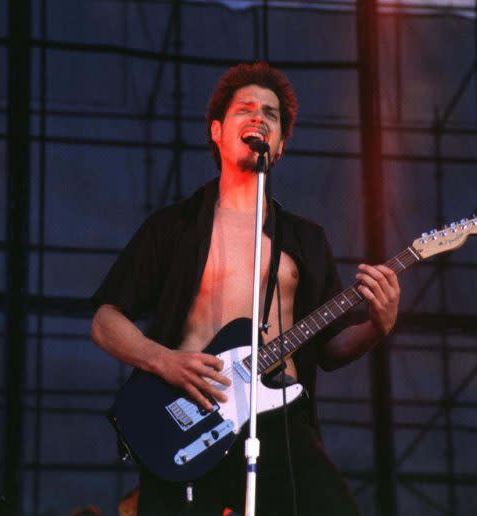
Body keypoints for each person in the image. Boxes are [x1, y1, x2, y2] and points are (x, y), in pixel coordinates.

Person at [91, 62, 400, 515]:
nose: (259, 118)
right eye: (246, 110)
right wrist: (166, 361)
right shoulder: (173, 228)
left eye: (271, 115)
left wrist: (378, 324)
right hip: (189, 416)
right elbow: (105, 321)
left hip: (279, 424)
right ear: (216, 131)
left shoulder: (305, 239)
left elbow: (331, 349)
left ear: (280, 144)